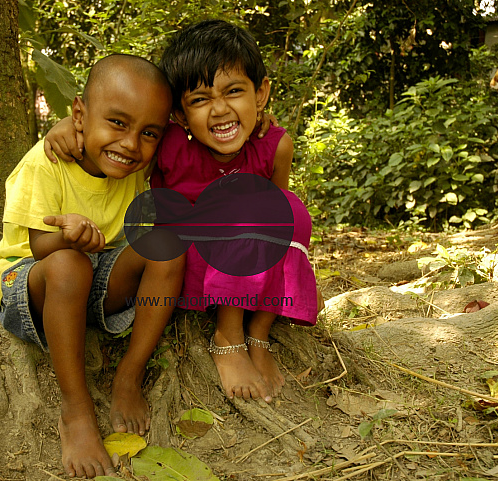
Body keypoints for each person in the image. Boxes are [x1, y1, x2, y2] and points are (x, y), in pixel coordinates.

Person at [45, 20, 319, 405]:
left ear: (261, 94)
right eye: (200, 99)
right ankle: (227, 336)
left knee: (289, 209)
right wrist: (66, 125)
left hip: (248, 263)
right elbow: (124, 139)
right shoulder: (169, 144)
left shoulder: (275, 145)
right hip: (185, 264)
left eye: (235, 92)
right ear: (178, 114)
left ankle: (259, 332)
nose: (221, 110)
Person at [0, 54, 184, 479]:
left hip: (93, 278)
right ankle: (76, 411)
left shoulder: (135, 162)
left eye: (148, 133)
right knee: (67, 265)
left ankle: (129, 376)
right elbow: (39, 247)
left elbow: (193, 132)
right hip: (31, 280)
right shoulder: (47, 162)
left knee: (168, 247)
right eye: (117, 123)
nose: (130, 143)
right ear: (79, 113)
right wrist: (68, 236)